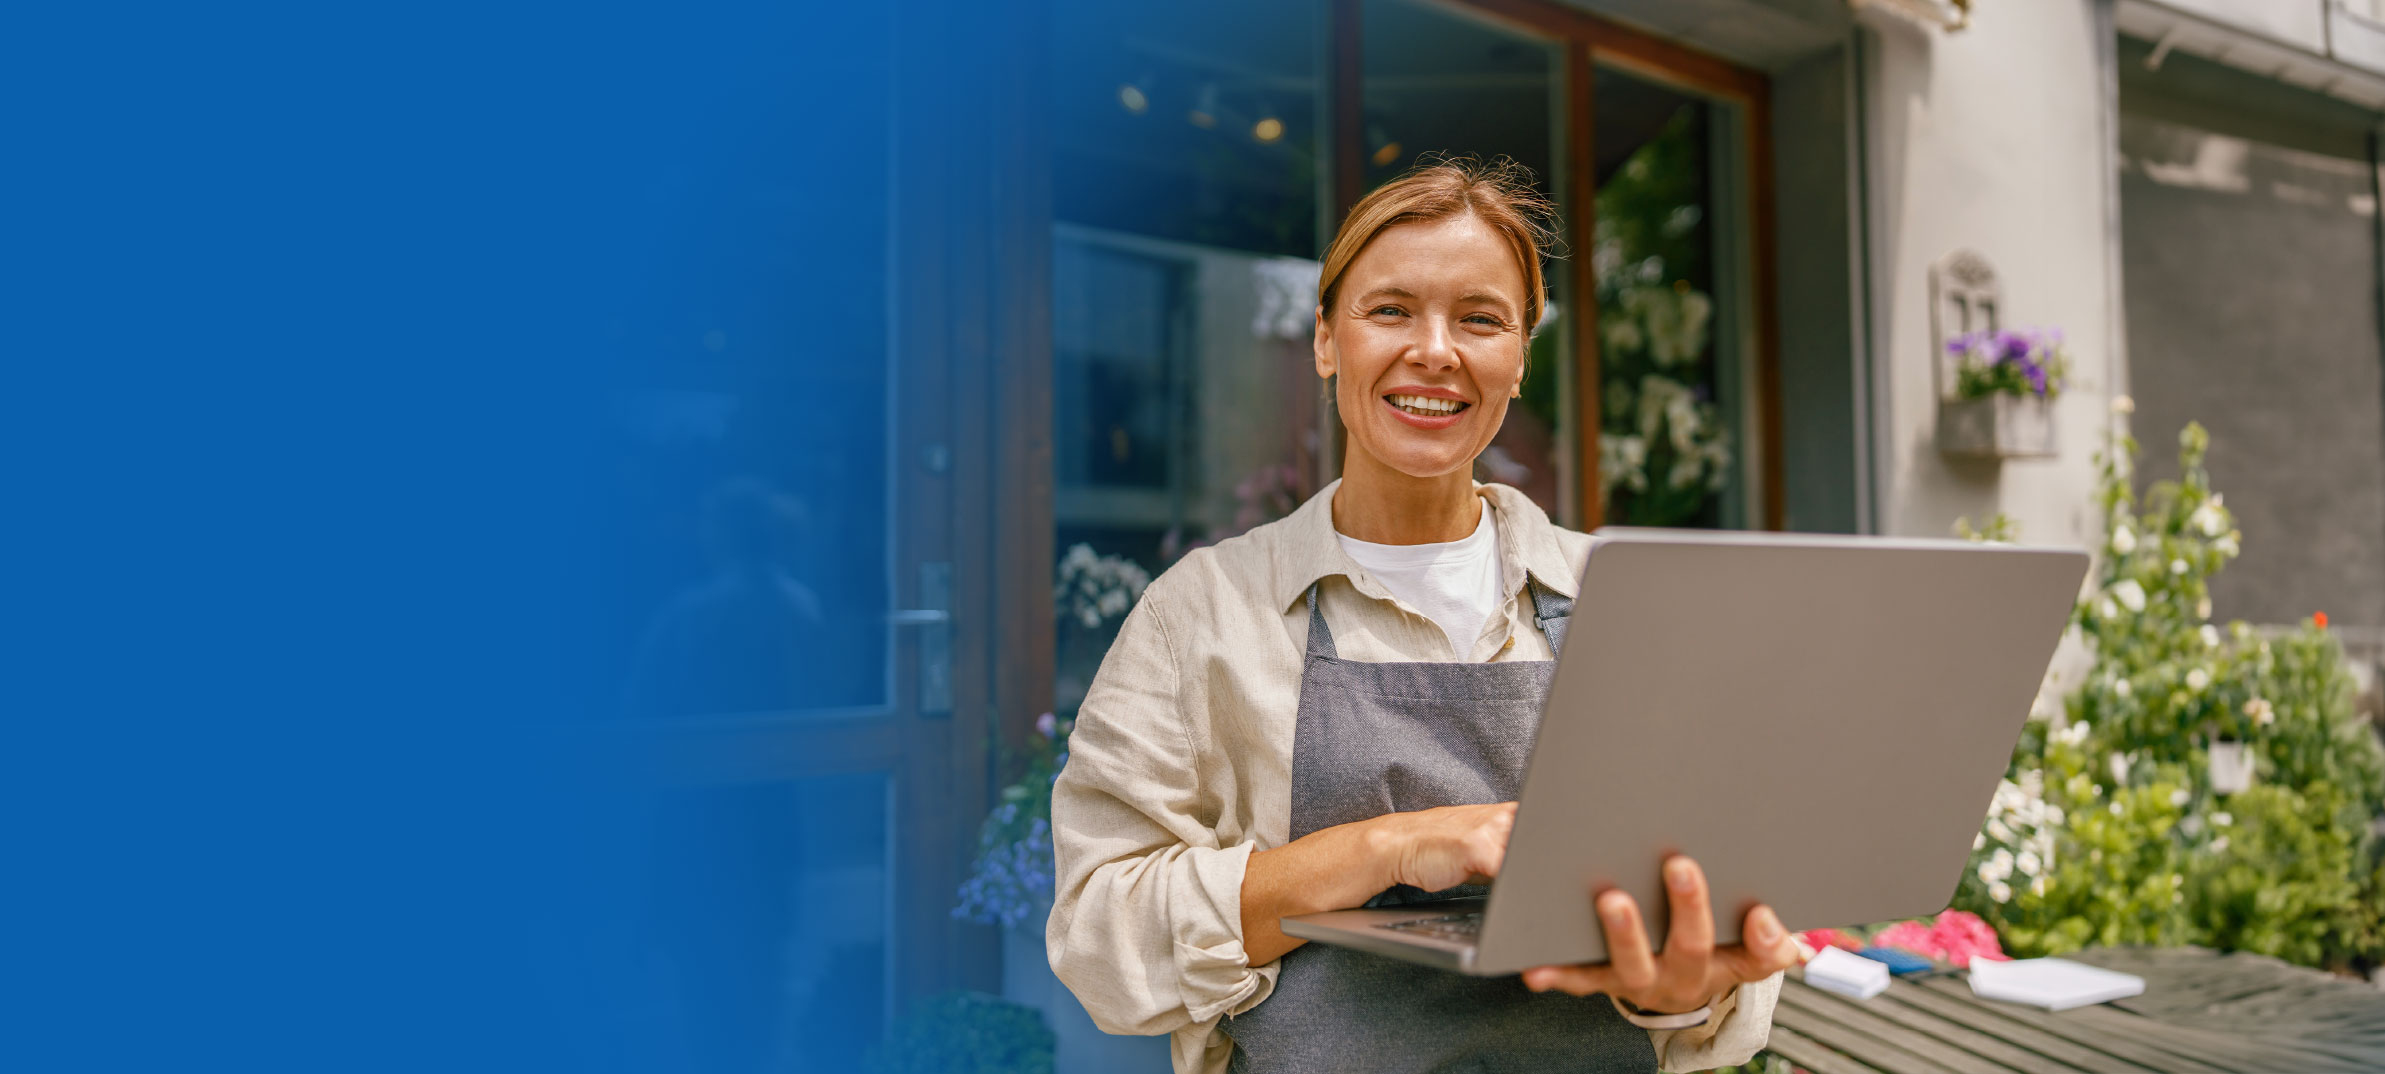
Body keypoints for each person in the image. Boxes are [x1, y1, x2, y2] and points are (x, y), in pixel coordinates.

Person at [1047, 158, 1794, 1073]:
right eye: (1389, 309)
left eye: (1480, 319)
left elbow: (1718, 893)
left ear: (1521, 358)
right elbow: (1098, 932)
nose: (1434, 350)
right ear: (1326, 340)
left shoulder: (1624, 597)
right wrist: (1390, 845)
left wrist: (1676, 984)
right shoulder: (1199, 615)